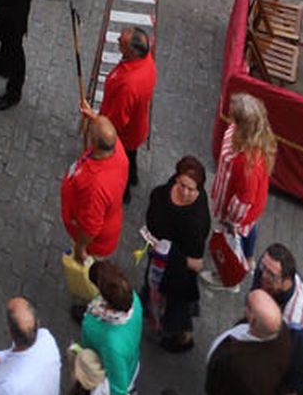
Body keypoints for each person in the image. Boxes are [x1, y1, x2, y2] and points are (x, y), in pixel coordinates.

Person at [203, 291, 292, 395]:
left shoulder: (241, 369)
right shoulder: (282, 332)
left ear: (253, 320)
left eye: (248, 307)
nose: (245, 309)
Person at [140, 156, 209, 352]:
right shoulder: (165, 191)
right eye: (182, 185)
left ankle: (183, 339)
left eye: (191, 189)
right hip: (159, 260)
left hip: (179, 274)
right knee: (153, 287)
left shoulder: (197, 220)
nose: (185, 192)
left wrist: (168, 253)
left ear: (199, 189)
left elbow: (195, 263)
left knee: (178, 309)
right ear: (176, 178)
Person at [211, 93, 276, 272]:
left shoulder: (249, 165)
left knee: (243, 233)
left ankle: (243, 260)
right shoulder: (249, 137)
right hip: (240, 199)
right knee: (249, 229)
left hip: (241, 210)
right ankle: (248, 256)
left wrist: (232, 221)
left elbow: (244, 200)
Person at [251, 242, 303, 395]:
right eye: (263, 268)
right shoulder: (267, 268)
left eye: (271, 275)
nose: (263, 276)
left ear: (286, 281)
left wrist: (288, 388)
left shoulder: (298, 324)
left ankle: (301, 392)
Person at [93, 27, 156, 195]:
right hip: (137, 126)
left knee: (122, 163)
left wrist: (100, 128)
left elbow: (118, 120)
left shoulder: (129, 85)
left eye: (122, 42)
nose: (118, 41)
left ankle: (124, 191)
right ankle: (133, 176)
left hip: (125, 134)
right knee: (131, 156)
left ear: (132, 52)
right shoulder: (146, 60)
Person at [61, 117, 128, 272]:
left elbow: (90, 228)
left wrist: (80, 248)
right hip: (108, 222)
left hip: (95, 244)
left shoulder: (96, 187)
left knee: (91, 272)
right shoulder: (116, 147)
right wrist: (91, 115)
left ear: (94, 143)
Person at [81, 262, 141, 395]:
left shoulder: (111, 342)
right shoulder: (134, 300)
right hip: (131, 363)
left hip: (107, 376)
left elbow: (118, 387)